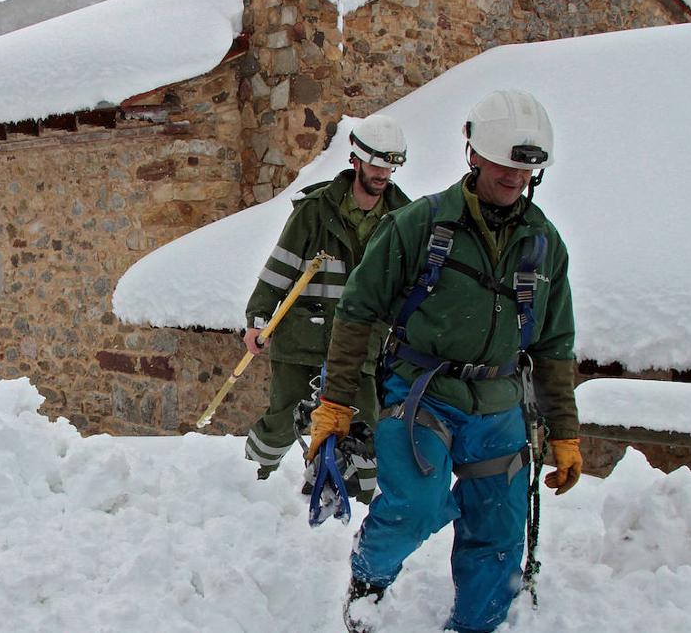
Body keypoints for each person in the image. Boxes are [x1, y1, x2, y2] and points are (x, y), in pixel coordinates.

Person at [307, 89, 582, 633]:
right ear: (474, 154)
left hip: (500, 407)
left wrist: (565, 432)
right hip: (422, 393)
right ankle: (368, 580)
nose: (513, 177)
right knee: (417, 506)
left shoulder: (544, 243)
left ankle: (475, 627)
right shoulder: (419, 225)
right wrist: (335, 404)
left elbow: (554, 344)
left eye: (525, 168)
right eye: (502, 162)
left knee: (499, 536)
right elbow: (358, 311)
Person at [243, 114, 410, 482]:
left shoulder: (402, 218)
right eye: (376, 164)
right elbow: (279, 270)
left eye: (390, 166)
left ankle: (362, 497)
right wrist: (258, 319)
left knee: (364, 422)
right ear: (356, 160)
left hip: (360, 344)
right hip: (304, 334)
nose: (382, 174)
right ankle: (251, 478)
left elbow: (407, 286)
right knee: (284, 416)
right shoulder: (316, 210)